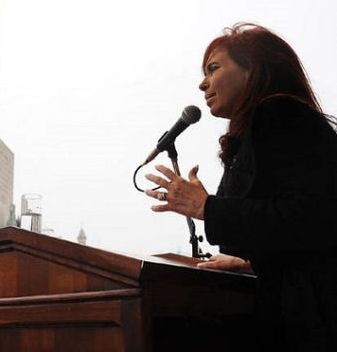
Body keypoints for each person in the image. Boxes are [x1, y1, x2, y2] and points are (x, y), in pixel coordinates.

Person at [144, 23, 337, 350]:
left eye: (214, 68)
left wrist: (206, 207)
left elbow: (315, 218)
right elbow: (296, 233)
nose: (202, 83)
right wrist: (252, 262)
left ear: (254, 70)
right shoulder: (264, 125)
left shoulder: (279, 113)